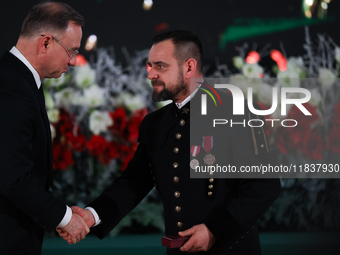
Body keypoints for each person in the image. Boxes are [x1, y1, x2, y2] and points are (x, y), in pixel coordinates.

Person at [60, 30, 281, 254]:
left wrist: (215, 231)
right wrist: (92, 215)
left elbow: (264, 186)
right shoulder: (154, 124)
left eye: (160, 66)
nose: (151, 74)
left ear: (189, 67)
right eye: (149, 65)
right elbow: (134, 183)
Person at [0, 2, 90, 254]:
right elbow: (13, 176)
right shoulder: (11, 87)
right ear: (46, 43)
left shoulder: (20, 79)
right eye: (71, 51)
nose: (73, 62)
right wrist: (64, 218)